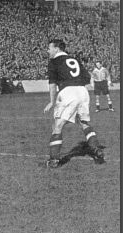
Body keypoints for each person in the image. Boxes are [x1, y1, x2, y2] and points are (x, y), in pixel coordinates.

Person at [43, 39, 105, 168]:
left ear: (57, 49)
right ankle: (96, 149)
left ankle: (54, 159)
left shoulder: (54, 62)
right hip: (82, 91)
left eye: (49, 48)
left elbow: (52, 84)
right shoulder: (75, 60)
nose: (48, 51)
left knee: (58, 125)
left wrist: (52, 101)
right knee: (83, 122)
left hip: (68, 92)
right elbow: (87, 79)